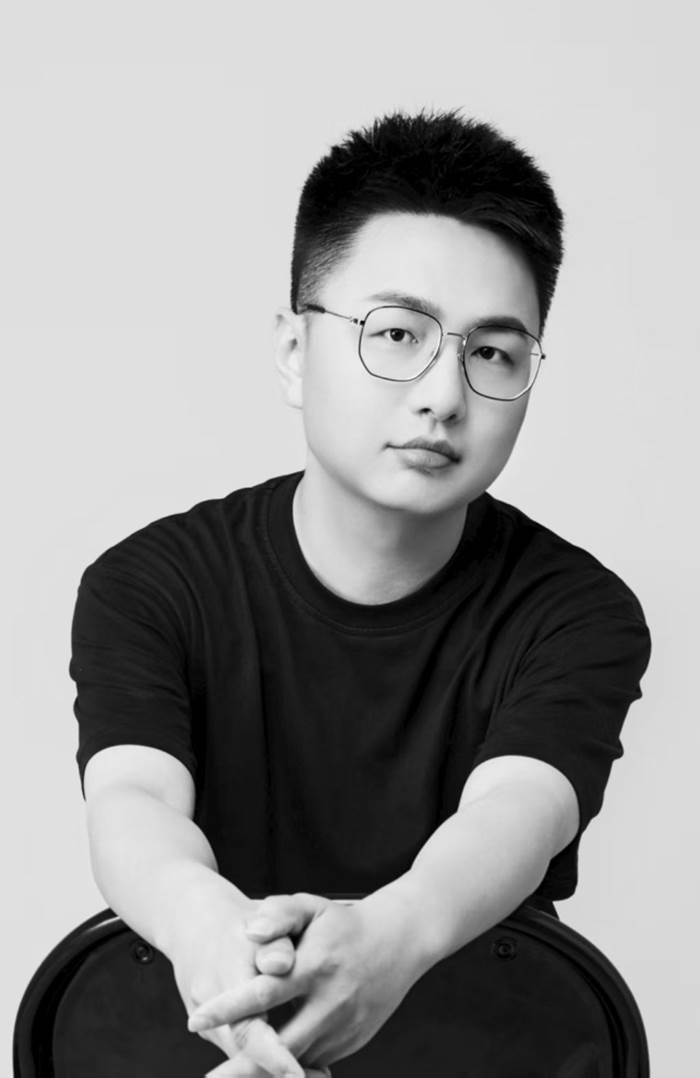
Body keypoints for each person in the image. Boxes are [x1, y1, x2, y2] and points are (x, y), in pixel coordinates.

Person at [69, 107, 651, 1078]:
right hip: (199, 1037)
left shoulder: (578, 613)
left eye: (492, 352)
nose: (443, 395)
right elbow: (133, 797)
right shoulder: (151, 584)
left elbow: (517, 810)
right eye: (396, 333)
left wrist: (393, 938)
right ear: (295, 352)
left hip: (481, 1050)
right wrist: (208, 930)